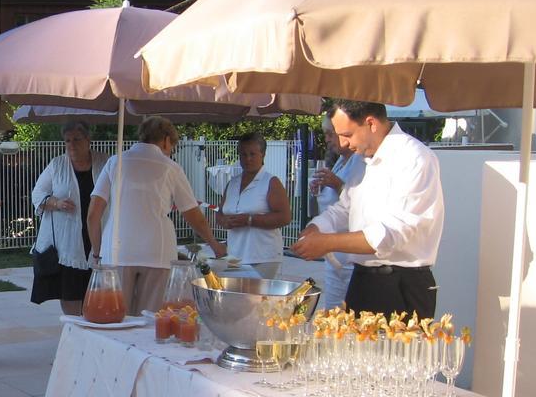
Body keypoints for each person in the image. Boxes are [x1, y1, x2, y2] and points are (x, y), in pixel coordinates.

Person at [292, 100, 444, 318]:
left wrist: (327, 242)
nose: (343, 143)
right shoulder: (358, 160)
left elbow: (393, 234)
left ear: (371, 123)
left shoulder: (414, 158)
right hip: (361, 280)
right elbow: (345, 207)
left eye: (347, 134)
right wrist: (317, 227)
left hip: (402, 285)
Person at [87, 116, 225, 316]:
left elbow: (93, 213)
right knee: (150, 319)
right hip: (158, 251)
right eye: (172, 146)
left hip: (117, 249)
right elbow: (192, 213)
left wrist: (98, 252)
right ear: (166, 140)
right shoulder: (171, 168)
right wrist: (214, 243)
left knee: (114, 315)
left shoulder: (115, 162)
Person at [30, 121, 109, 316]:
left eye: (77, 139)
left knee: (100, 296)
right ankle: (75, 333)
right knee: (71, 295)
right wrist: (56, 203)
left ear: (88, 139)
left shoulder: (106, 162)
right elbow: (38, 194)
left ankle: (94, 335)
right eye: (67, 141)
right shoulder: (57, 164)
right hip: (68, 244)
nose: (71, 144)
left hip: (99, 237)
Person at [215, 131, 292, 279]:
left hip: (262, 257)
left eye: (252, 154)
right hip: (235, 256)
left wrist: (250, 220)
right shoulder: (232, 183)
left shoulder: (271, 182)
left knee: (255, 300)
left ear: (262, 155)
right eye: (243, 154)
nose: (248, 159)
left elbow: (285, 217)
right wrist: (224, 221)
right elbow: (220, 213)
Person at [311, 110, 366, 310]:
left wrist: (336, 184)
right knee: (332, 310)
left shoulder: (360, 162)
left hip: (348, 254)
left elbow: (359, 202)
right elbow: (337, 205)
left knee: (346, 312)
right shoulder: (341, 161)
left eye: (329, 134)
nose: (327, 140)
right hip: (333, 256)